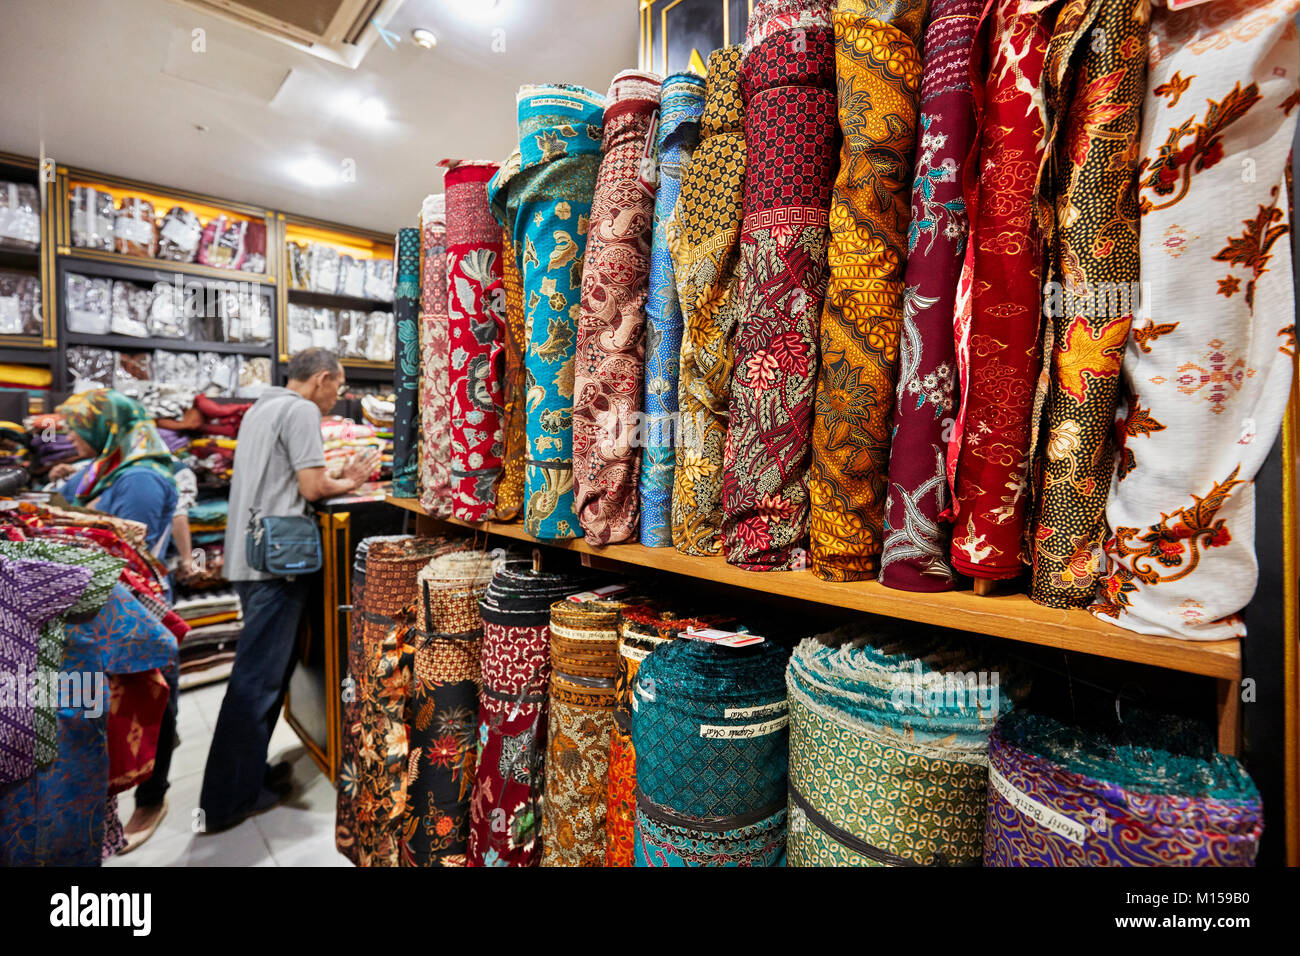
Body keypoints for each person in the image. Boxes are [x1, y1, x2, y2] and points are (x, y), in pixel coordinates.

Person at [199, 349, 379, 832]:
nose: (335, 401)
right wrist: (353, 478)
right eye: (337, 390)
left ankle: (245, 777)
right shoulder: (300, 410)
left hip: (248, 555)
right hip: (276, 566)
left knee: (261, 676)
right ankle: (228, 800)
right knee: (257, 682)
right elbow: (313, 486)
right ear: (321, 379)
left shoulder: (263, 406)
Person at [52, 389, 180, 852]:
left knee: (155, 696)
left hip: (134, 610)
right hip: (105, 607)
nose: (67, 436)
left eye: (74, 427)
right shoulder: (104, 468)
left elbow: (123, 556)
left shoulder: (139, 480)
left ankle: (153, 797)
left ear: (104, 426)